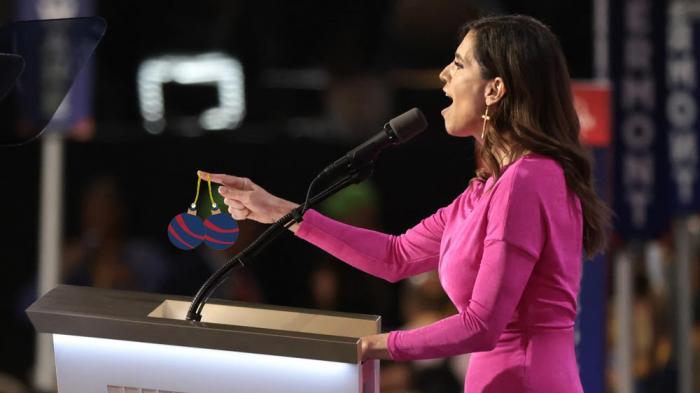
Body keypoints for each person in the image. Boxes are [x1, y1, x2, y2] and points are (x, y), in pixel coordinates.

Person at [199, 14, 611, 393]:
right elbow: (395, 257)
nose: (444, 75)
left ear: (495, 89)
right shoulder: (486, 190)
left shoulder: (528, 179)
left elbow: (482, 326)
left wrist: (375, 346)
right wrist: (279, 212)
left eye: (459, 64)